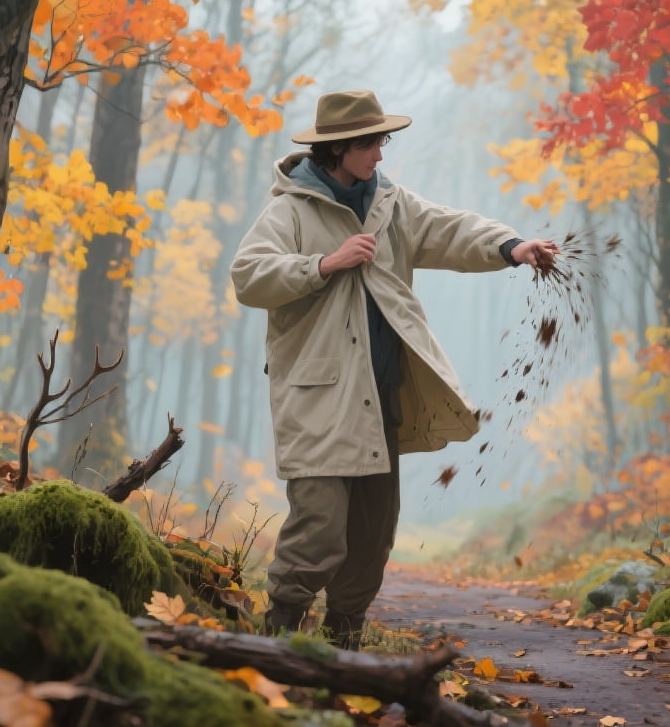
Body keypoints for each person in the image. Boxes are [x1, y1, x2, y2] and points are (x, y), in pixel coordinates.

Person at [230, 90, 557, 647]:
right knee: (318, 530)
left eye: (383, 141)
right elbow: (249, 276)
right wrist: (322, 264)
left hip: (381, 397)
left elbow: (450, 229)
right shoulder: (289, 209)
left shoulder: (391, 204)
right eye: (371, 143)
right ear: (339, 148)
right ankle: (275, 640)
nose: (381, 154)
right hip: (318, 399)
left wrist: (511, 246)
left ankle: (344, 641)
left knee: (374, 534)